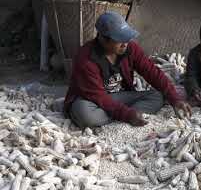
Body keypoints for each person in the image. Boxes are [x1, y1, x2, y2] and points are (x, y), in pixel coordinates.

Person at [64, 11, 192, 129]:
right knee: (85, 114)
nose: (125, 43)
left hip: (119, 97)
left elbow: (152, 72)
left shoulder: (130, 49)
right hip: (92, 101)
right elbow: (100, 97)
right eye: (119, 39)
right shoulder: (86, 59)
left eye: (126, 38)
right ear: (103, 39)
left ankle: (118, 115)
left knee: (157, 96)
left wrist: (175, 99)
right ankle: (124, 115)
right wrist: (127, 114)